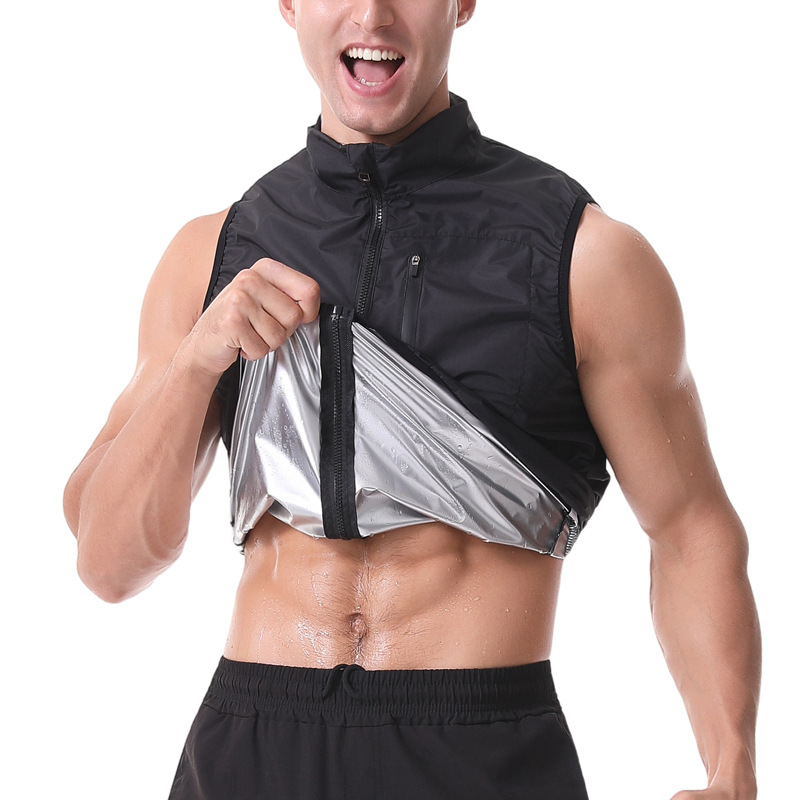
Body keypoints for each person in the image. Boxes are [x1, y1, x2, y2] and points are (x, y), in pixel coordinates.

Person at [63, 1, 761, 797]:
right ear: (288, 4)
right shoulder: (211, 254)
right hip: (251, 745)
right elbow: (108, 565)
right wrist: (196, 361)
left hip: (475, 749)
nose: (373, 14)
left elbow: (690, 529)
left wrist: (731, 767)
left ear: (462, 4)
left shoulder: (587, 260)